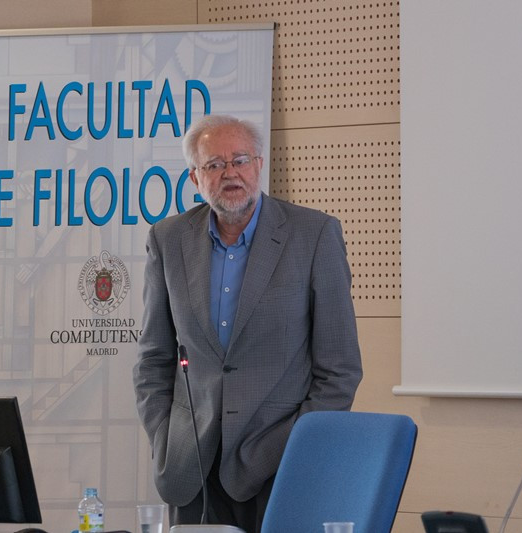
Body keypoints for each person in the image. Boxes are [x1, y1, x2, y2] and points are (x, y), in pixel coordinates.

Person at [133, 114, 362, 533]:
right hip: (192, 466)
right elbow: (152, 358)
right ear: (195, 178)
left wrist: (295, 443)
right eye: (214, 164)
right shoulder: (168, 239)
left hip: (278, 464)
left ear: (259, 164)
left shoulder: (314, 235)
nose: (230, 173)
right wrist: (165, 435)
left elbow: (340, 370)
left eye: (240, 160)